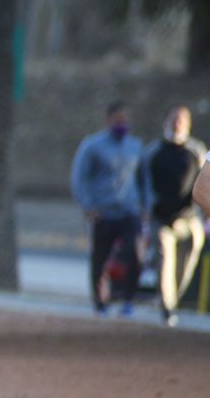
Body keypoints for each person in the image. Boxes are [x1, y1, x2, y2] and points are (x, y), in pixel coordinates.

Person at [70, 101, 146, 317]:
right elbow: (79, 178)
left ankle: (128, 300)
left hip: (129, 212)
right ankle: (100, 303)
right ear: (108, 120)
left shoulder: (136, 146)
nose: (123, 124)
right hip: (103, 213)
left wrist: (145, 207)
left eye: (126, 120)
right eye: (118, 119)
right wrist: (88, 206)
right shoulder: (92, 146)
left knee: (135, 254)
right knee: (100, 258)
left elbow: (143, 179)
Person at [145, 105, 206, 327]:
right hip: (162, 219)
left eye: (182, 120)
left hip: (189, 218)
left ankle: (173, 299)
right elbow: (143, 183)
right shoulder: (154, 151)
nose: (177, 124)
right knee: (165, 261)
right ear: (165, 122)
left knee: (186, 264)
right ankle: (167, 308)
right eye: (174, 119)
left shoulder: (197, 151)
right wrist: (147, 210)